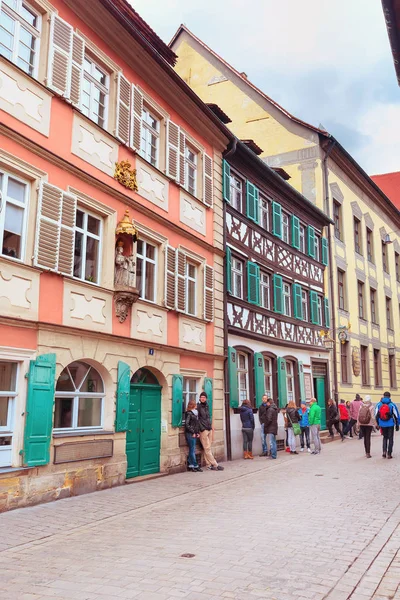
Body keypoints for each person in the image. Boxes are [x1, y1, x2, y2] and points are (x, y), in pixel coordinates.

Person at [197, 391, 224, 470]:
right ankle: (215, 464)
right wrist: (201, 428)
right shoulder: (198, 407)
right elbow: (197, 419)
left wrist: (211, 426)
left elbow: (208, 417)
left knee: (207, 448)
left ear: (206, 398)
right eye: (201, 397)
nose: (203, 398)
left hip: (209, 428)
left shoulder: (207, 406)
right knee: (207, 448)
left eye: (204, 397)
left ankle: (208, 465)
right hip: (203, 430)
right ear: (199, 398)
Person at [375, 391, 400, 459]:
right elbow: (396, 415)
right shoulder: (392, 405)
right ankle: (389, 454)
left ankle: (384, 452)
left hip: (382, 424)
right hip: (390, 424)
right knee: (391, 438)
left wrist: (378, 423)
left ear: (383, 396)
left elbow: (376, 415)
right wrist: (397, 424)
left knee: (385, 437)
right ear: (389, 396)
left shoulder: (379, 404)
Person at [184, 400, 203, 472]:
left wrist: (197, 432)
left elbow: (196, 424)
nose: (196, 405)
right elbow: (187, 424)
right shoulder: (189, 413)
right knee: (192, 450)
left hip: (194, 433)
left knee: (192, 449)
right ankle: (195, 465)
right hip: (190, 434)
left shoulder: (195, 413)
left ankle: (191, 465)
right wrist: (193, 432)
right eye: (195, 404)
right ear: (193, 405)